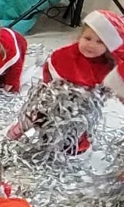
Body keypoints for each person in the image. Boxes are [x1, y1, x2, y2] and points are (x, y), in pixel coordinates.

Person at [8, 9, 123, 151]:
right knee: (41, 114)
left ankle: (67, 143)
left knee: (71, 128)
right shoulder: (66, 55)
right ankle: (23, 126)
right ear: (80, 36)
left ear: (108, 47)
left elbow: (109, 89)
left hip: (78, 110)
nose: (91, 45)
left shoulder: (107, 67)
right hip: (54, 99)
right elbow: (50, 70)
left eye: (99, 42)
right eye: (87, 38)